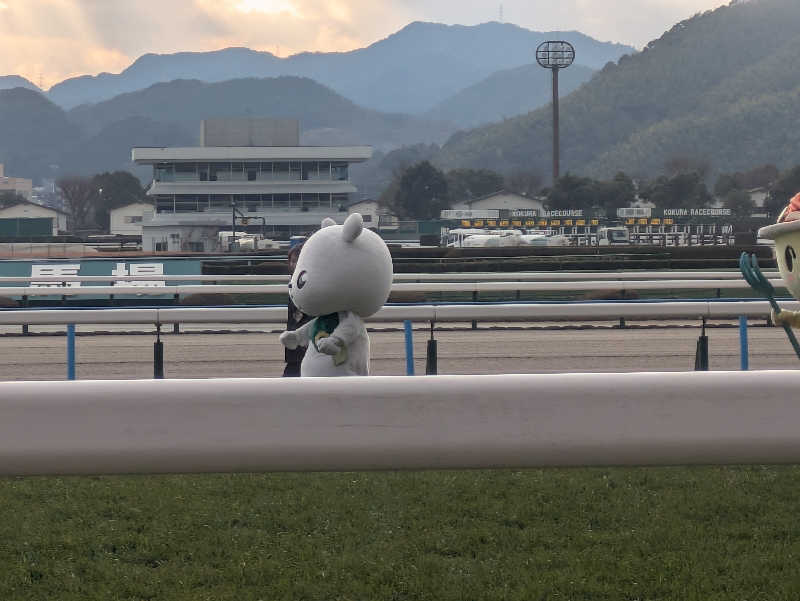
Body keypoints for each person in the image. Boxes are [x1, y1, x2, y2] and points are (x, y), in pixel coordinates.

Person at [283, 243, 311, 376]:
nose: (293, 265)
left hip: (306, 337)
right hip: (295, 336)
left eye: (297, 261)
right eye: (292, 261)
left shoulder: (307, 283)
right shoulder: (293, 282)